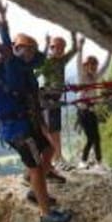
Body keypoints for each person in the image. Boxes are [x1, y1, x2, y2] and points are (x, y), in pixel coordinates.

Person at [0, 3, 71, 222]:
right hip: (14, 128)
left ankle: (35, 192)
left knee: (48, 150)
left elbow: (9, 52)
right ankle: (45, 214)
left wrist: (3, 25)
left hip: (24, 121)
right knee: (36, 167)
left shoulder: (2, 65)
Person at [37, 31, 78, 169]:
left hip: (54, 99)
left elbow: (75, 50)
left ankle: (57, 157)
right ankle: (56, 159)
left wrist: (74, 35)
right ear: (51, 48)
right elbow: (35, 73)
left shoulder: (61, 60)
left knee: (55, 130)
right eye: (57, 47)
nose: (60, 50)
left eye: (62, 48)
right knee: (52, 130)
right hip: (48, 100)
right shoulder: (47, 62)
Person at [75, 36, 111, 171]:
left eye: (94, 65)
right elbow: (78, 63)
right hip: (83, 112)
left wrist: (110, 52)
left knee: (95, 138)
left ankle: (94, 162)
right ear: (86, 66)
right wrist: (80, 47)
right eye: (90, 65)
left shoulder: (96, 77)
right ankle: (88, 161)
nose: (93, 67)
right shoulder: (82, 77)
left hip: (91, 111)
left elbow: (106, 66)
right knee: (92, 137)